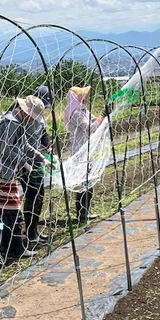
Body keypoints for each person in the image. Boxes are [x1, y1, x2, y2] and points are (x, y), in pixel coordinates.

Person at [0, 95, 52, 258]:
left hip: (8, 172)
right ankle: (14, 249)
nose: (33, 120)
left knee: (8, 211)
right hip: (1, 172)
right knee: (12, 211)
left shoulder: (19, 121)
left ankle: (7, 247)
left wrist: (42, 158)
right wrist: (26, 164)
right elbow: (6, 150)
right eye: (33, 116)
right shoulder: (11, 122)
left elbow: (24, 145)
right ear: (26, 112)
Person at [18, 86, 54, 247]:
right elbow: (21, 143)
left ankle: (34, 230)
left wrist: (49, 148)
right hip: (24, 162)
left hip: (37, 161)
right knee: (32, 195)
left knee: (40, 195)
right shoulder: (23, 115)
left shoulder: (39, 114)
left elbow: (43, 135)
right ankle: (30, 234)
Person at [64, 86, 104, 224]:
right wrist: (102, 117)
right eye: (83, 95)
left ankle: (86, 211)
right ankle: (81, 214)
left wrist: (101, 117)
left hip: (87, 150)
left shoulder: (83, 110)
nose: (86, 97)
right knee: (83, 184)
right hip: (80, 152)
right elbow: (90, 128)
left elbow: (93, 121)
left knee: (89, 182)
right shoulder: (76, 113)